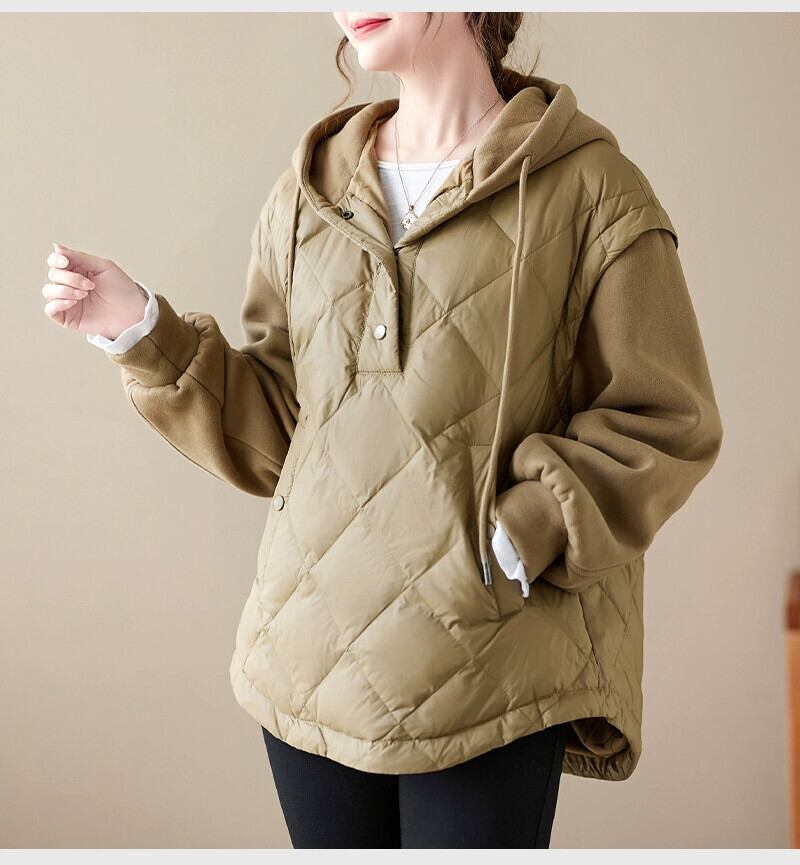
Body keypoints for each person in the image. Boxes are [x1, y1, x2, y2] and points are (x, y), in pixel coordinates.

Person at [41, 12, 724, 849]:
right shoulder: (309, 192)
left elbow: (666, 416)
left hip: (490, 665)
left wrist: (526, 532)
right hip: (309, 657)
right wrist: (143, 331)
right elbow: (284, 431)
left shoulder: (592, 189)